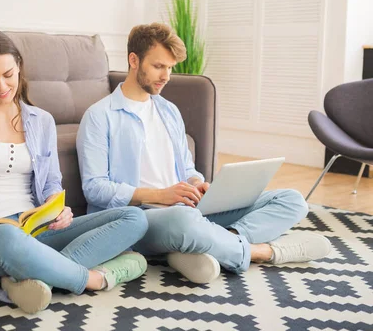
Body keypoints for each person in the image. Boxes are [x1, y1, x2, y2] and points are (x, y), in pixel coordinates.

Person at [0, 30, 149, 314]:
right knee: (6, 237)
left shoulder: (41, 121)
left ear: (19, 67)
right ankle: (93, 278)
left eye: (8, 74)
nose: (1, 86)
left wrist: (57, 208)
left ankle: (33, 274)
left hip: (36, 229)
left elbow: (51, 182)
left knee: (134, 216)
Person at [76, 23, 331, 284]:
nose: (166, 76)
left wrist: (198, 184)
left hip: (187, 209)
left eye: (170, 67)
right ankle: (261, 252)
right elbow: (95, 189)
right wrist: (160, 195)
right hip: (141, 217)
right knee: (183, 219)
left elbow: (186, 169)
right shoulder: (99, 116)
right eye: (158, 66)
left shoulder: (169, 111)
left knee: (292, 200)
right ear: (133, 60)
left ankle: (209, 243)